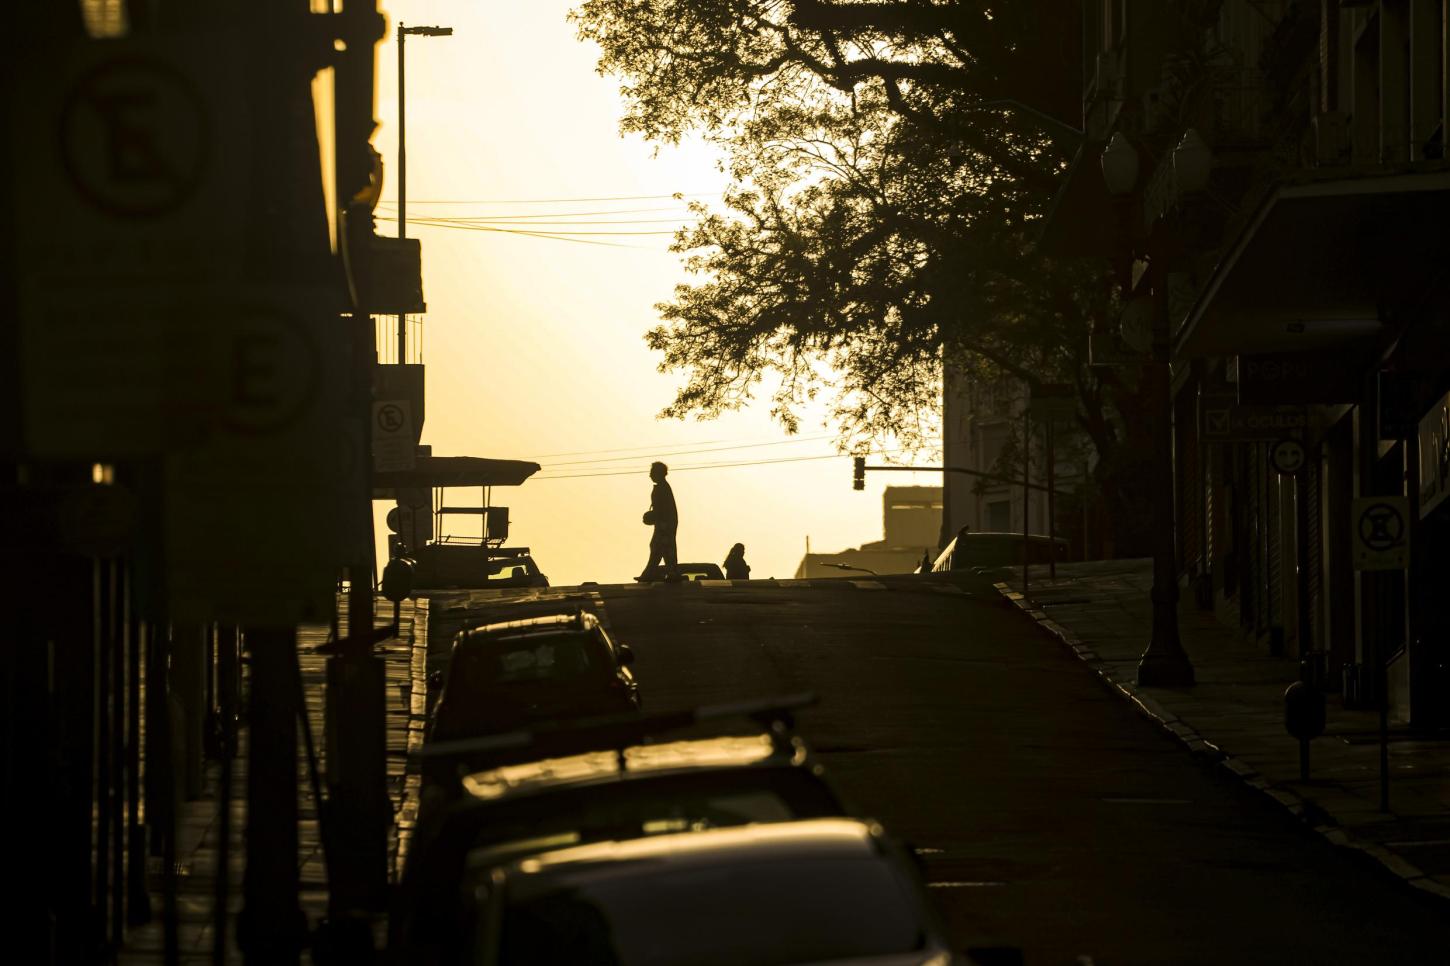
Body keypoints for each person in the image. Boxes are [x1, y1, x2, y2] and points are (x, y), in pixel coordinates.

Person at [637, 461, 681, 582]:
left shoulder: (662, 488)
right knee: (665, 549)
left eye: (651, 472)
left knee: (658, 547)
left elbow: (663, 509)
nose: (650, 475)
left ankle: (650, 573)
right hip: (665, 524)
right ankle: (671, 572)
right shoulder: (663, 487)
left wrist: (653, 516)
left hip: (664, 525)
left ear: (658, 473)